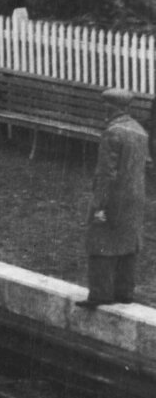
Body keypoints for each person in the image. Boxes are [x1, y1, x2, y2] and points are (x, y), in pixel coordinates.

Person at [80, 87, 147, 309]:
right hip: (135, 198)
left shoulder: (113, 132)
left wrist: (99, 205)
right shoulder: (140, 131)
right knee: (128, 243)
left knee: (99, 240)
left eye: (104, 107)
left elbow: (106, 174)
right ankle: (124, 292)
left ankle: (99, 295)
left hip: (114, 198)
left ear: (110, 107)